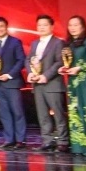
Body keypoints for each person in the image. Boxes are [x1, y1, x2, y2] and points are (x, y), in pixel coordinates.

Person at [57, 15, 86, 158]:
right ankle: (78, 146)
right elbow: (68, 62)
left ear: (83, 27)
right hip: (73, 82)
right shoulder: (68, 44)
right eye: (70, 25)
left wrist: (80, 68)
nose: (73, 28)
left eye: (76, 25)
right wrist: (64, 68)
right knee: (75, 112)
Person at [27, 14, 67, 152]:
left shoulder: (58, 43)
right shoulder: (34, 43)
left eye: (45, 25)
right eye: (39, 25)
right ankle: (47, 141)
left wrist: (45, 75)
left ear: (51, 27)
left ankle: (62, 141)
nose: (41, 27)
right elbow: (28, 60)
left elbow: (59, 62)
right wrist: (31, 73)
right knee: (42, 114)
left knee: (58, 114)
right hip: (37, 84)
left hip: (53, 84)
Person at [0, 16, 26, 149]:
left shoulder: (15, 42)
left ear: (6, 27)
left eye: (1, 26)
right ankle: (9, 139)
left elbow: (21, 60)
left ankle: (20, 140)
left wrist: (9, 75)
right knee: (4, 113)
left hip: (12, 83)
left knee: (17, 111)